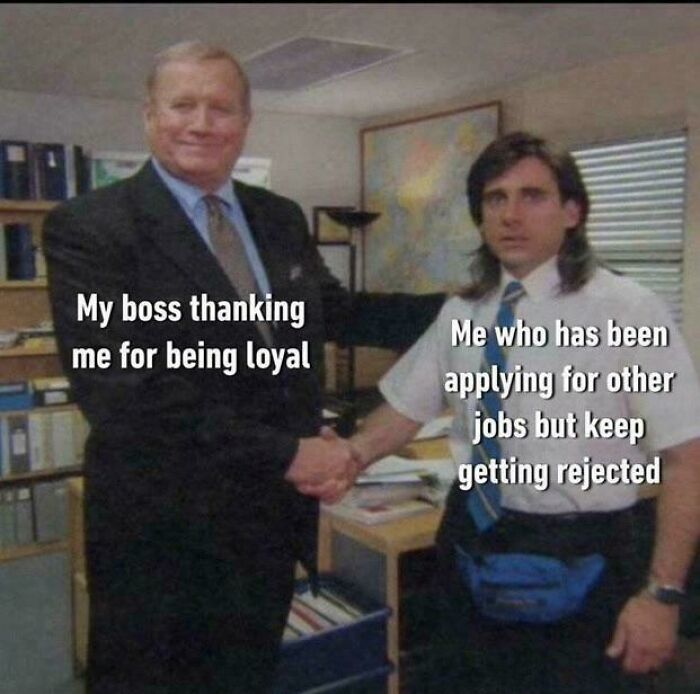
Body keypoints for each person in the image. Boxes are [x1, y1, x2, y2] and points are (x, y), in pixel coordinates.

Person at [43, 41, 443, 693]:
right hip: (160, 534)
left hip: (263, 525)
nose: (202, 123)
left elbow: (334, 311)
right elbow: (122, 391)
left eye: (221, 108)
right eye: (183, 105)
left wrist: (464, 306)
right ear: (149, 115)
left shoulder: (277, 217)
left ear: (246, 121)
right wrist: (288, 453)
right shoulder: (91, 227)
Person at [350, 132, 700, 692]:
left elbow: (687, 458)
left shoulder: (628, 309)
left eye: (532, 196)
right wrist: (348, 456)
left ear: (572, 212)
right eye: (495, 198)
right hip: (472, 537)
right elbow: (405, 410)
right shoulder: (463, 312)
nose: (511, 215)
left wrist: (662, 595)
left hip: (583, 554)